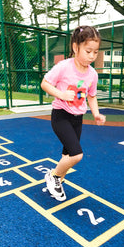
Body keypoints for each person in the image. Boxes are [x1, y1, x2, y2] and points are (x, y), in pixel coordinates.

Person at [41, 25, 106, 201]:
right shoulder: (64, 67)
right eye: (88, 51)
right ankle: (53, 177)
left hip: (78, 118)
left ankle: (57, 181)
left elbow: (91, 97)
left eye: (96, 52)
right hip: (61, 115)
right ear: (75, 47)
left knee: (67, 156)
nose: (92, 56)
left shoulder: (92, 74)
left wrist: (97, 114)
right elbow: (45, 83)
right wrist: (61, 94)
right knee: (77, 155)